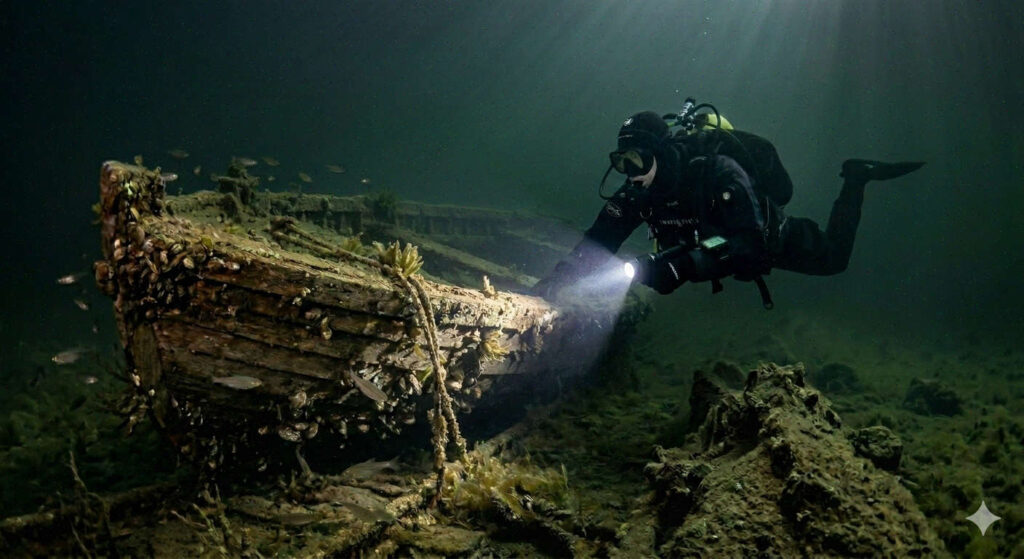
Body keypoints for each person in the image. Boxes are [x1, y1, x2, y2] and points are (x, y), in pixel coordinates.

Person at [532, 107, 924, 307]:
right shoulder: (637, 190)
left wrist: (686, 266)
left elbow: (750, 246)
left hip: (765, 234)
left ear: (661, 154)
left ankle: (855, 178)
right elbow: (599, 241)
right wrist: (556, 281)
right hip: (704, 244)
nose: (630, 174)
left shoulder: (717, 171)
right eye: (622, 163)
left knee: (834, 259)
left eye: (637, 161)